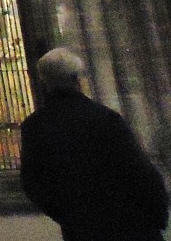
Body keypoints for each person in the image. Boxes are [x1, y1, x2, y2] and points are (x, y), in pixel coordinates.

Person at [20, 47, 169, 241]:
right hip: (129, 224)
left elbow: (33, 183)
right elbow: (140, 171)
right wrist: (158, 215)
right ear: (77, 79)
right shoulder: (105, 118)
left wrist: (67, 216)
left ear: (43, 81)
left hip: (81, 229)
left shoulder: (34, 127)